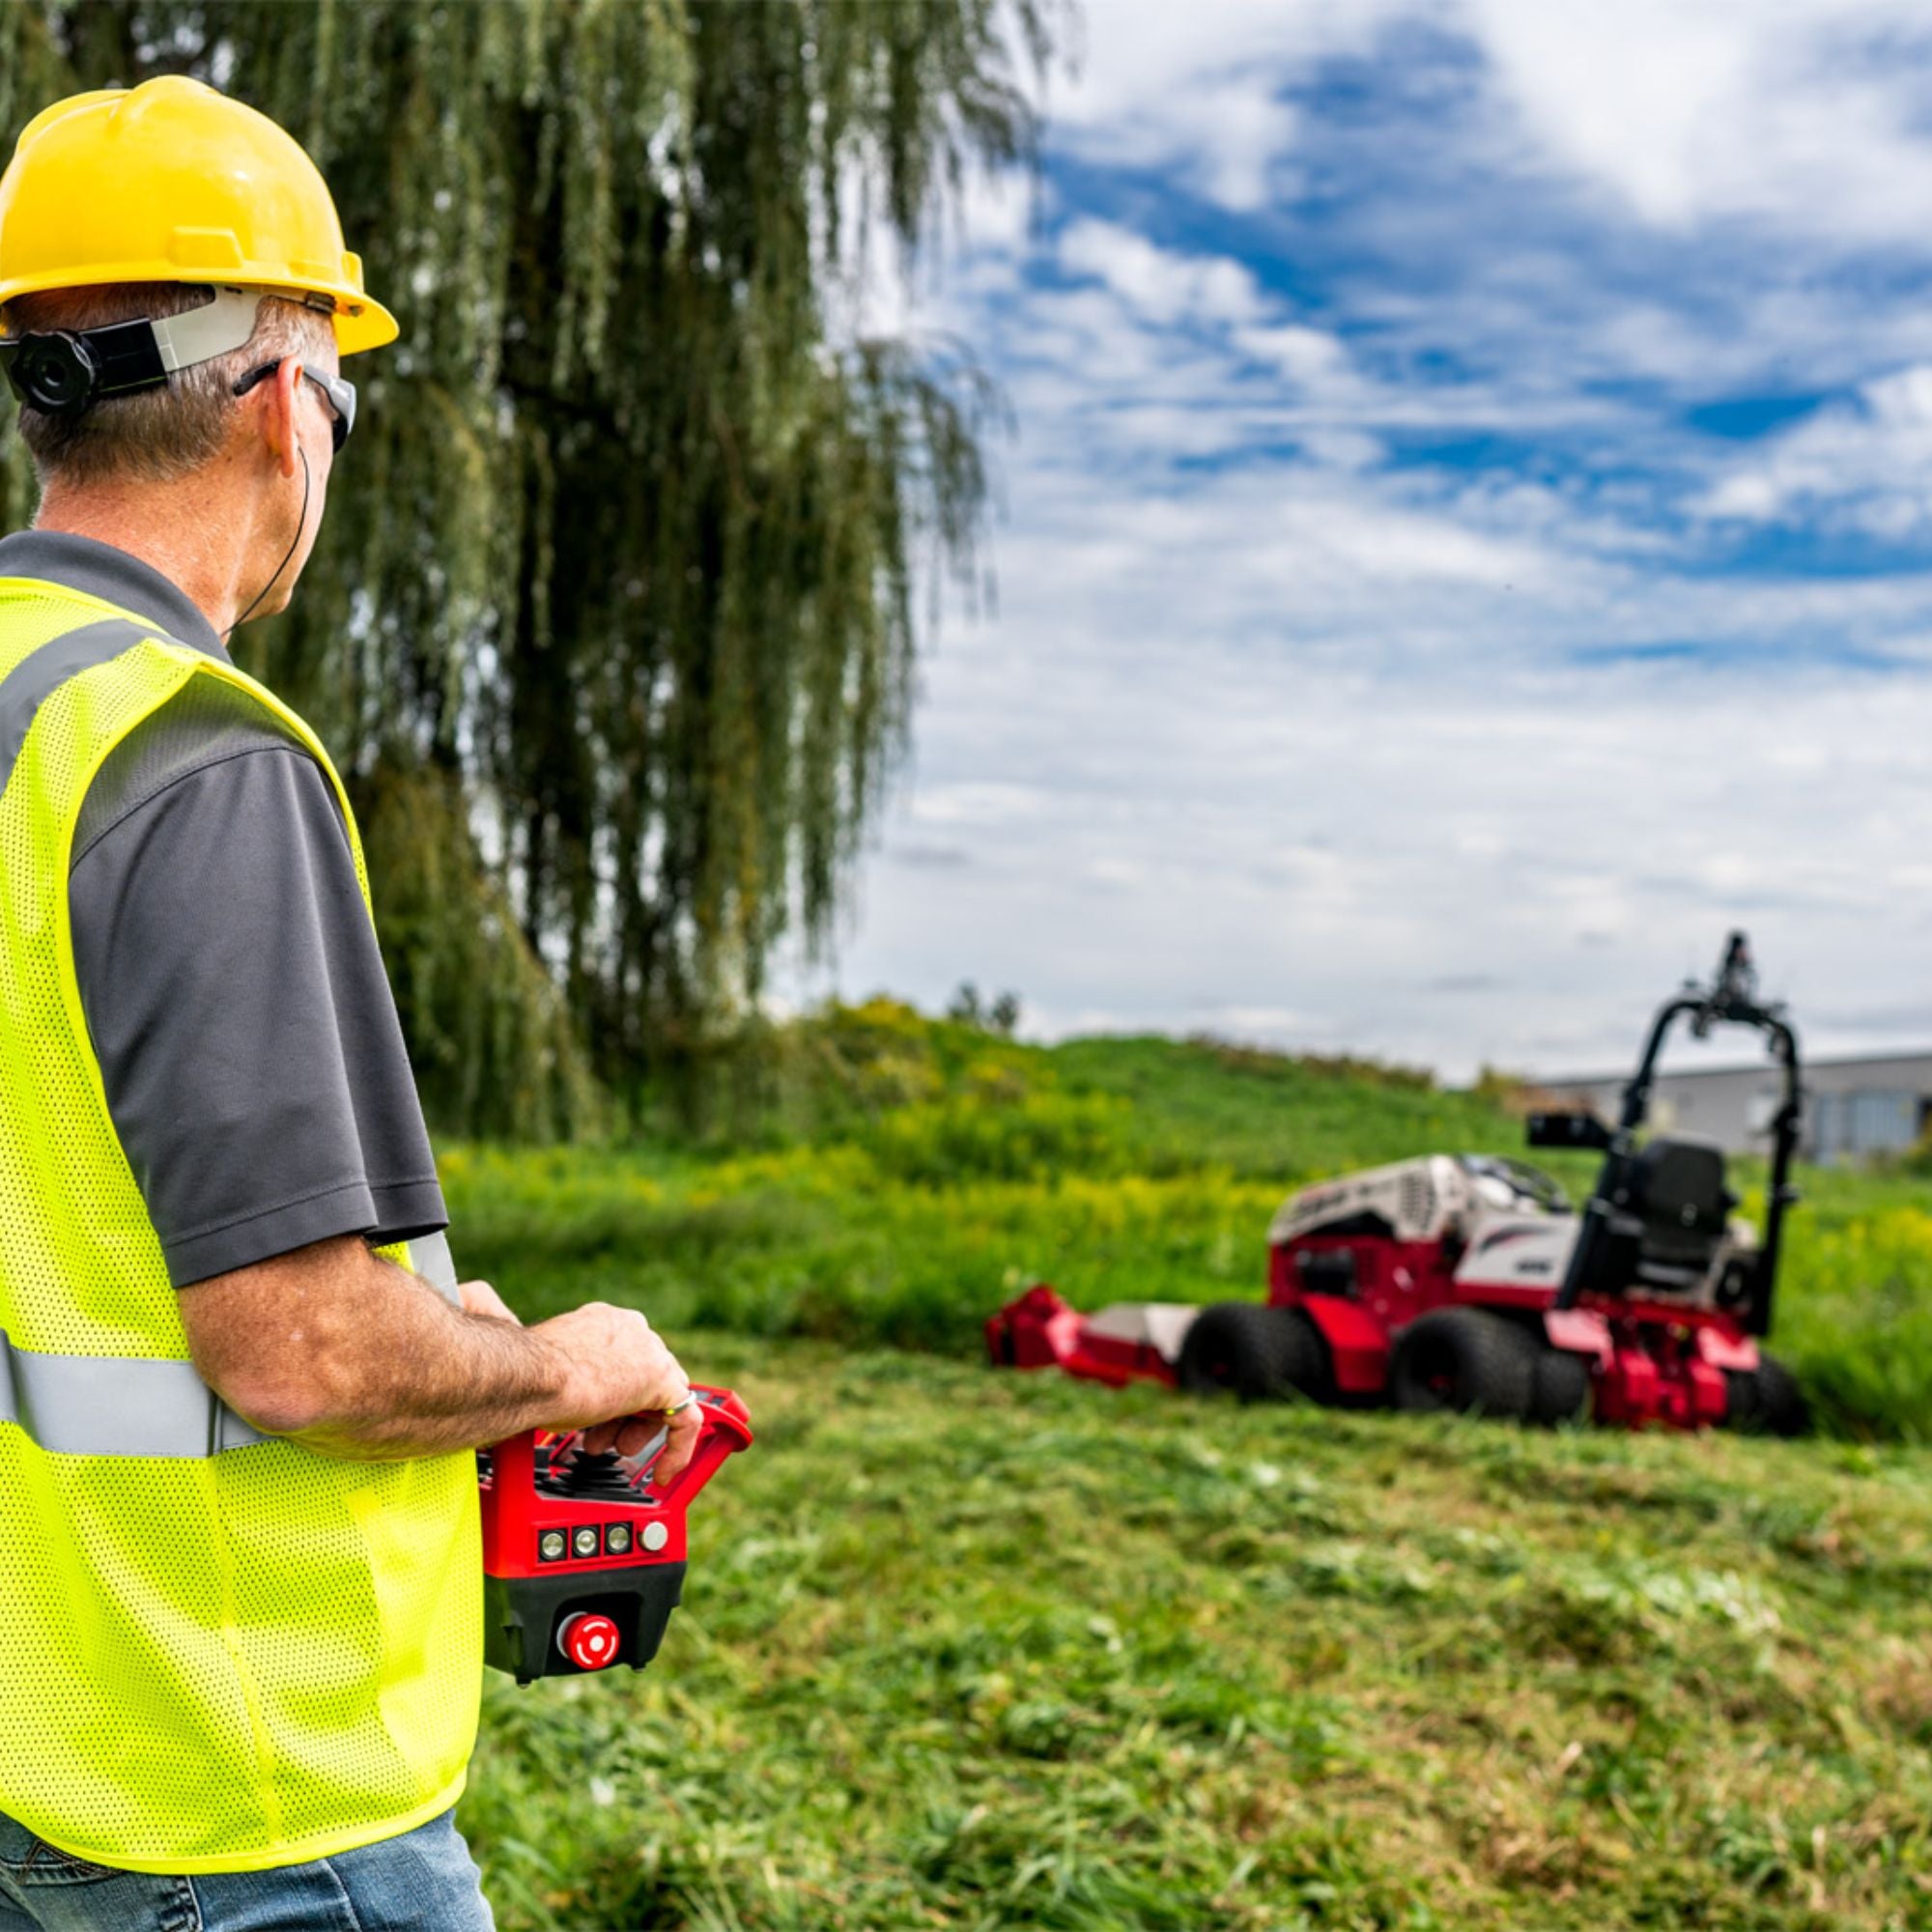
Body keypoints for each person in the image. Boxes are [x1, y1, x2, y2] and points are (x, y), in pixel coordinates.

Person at [0, 77, 700, 1932]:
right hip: (235, 1806)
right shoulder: (185, 753)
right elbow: (297, 1355)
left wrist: (410, 1314)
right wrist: (570, 1365)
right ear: (286, 400)